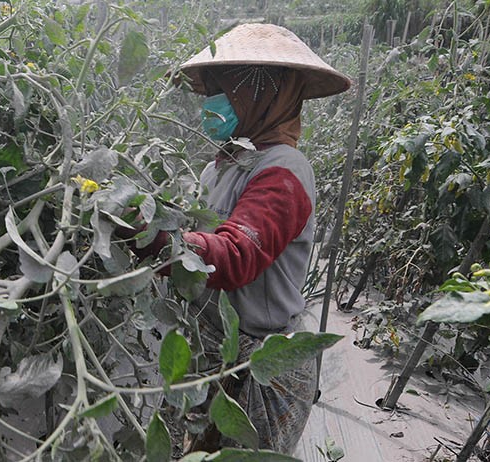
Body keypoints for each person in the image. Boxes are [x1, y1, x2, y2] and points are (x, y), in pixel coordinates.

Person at [122, 23, 351, 454]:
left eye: (223, 88)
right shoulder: (219, 167)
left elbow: (232, 258)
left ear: (262, 93)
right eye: (211, 87)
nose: (212, 100)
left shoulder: (284, 171)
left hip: (259, 368)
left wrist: (148, 232)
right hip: (212, 357)